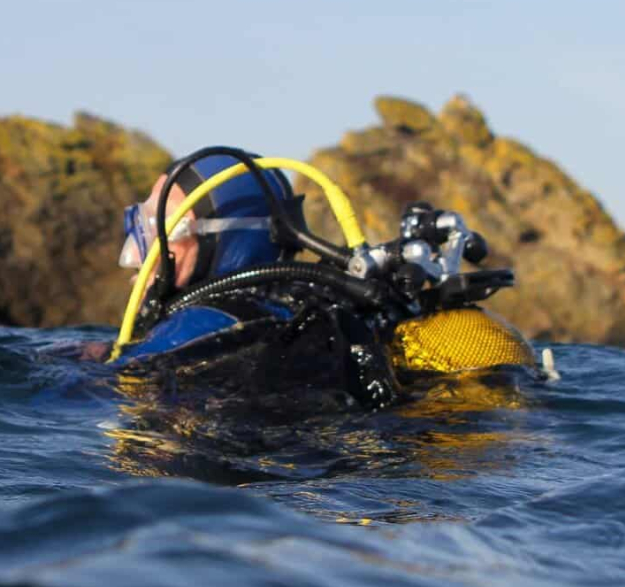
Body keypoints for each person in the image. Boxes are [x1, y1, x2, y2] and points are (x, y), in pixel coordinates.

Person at [104, 151, 404, 411]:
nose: (141, 252)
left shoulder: (203, 322)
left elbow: (107, 383)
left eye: (166, 227)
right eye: (144, 222)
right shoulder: (302, 305)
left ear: (225, 239)